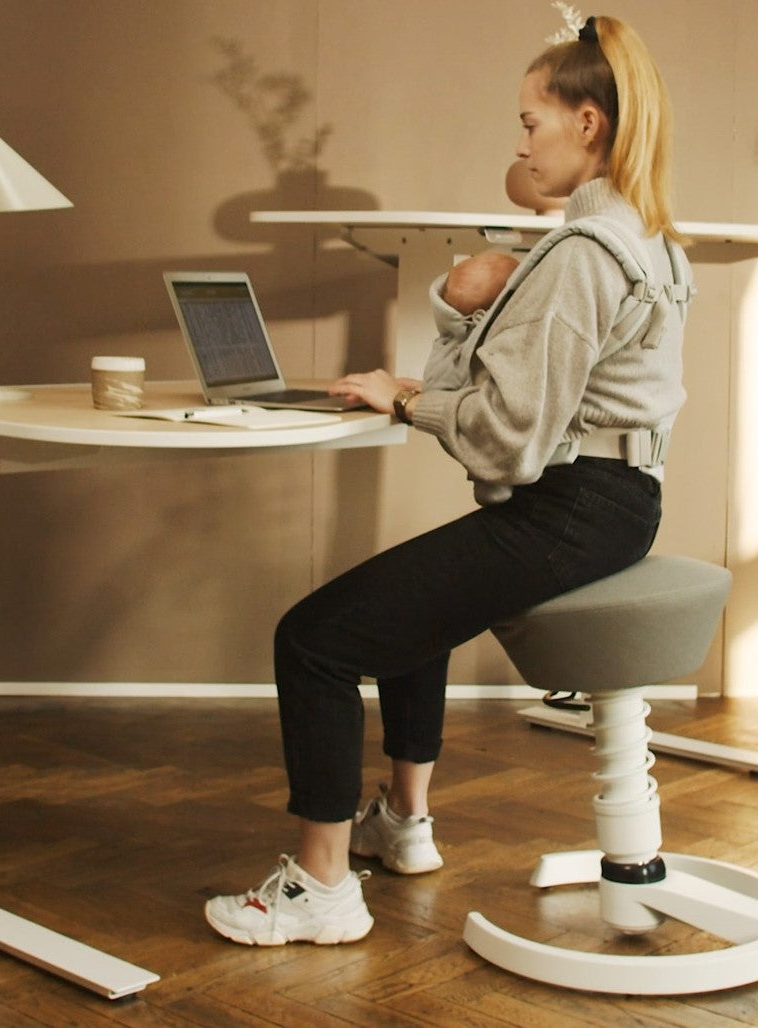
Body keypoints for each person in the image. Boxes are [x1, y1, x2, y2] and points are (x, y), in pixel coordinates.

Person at [205, 13, 690, 947]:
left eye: (529, 122)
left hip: (570, 509)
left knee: (312, 641)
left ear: (587, 125)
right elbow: (549, 395)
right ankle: (405, 823)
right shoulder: (647, 238)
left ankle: (321, 887)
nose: (518, 143)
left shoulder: (583, 255)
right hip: (619, 502)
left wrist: (401, 401)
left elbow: (504, 441)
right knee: (408, 610)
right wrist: (471, 311)